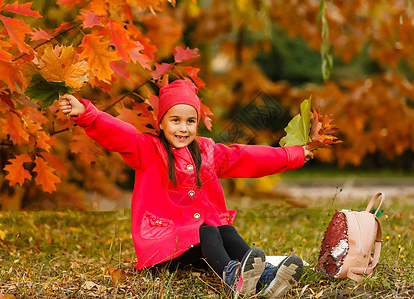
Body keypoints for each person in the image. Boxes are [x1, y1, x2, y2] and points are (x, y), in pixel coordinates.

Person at [59, 79, 314, 298]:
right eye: (175, 120)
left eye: (190, 121)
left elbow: (247, 157)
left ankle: (265, 276)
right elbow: (120, 134)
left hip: (194, 246)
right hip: (162, 247)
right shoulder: (148, 151)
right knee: (210, 232)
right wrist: (87, 114)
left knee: (224, 229)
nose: (183, 128)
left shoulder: (206, 152)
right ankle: (233, 278)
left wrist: (294, 154)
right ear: (161, 123)